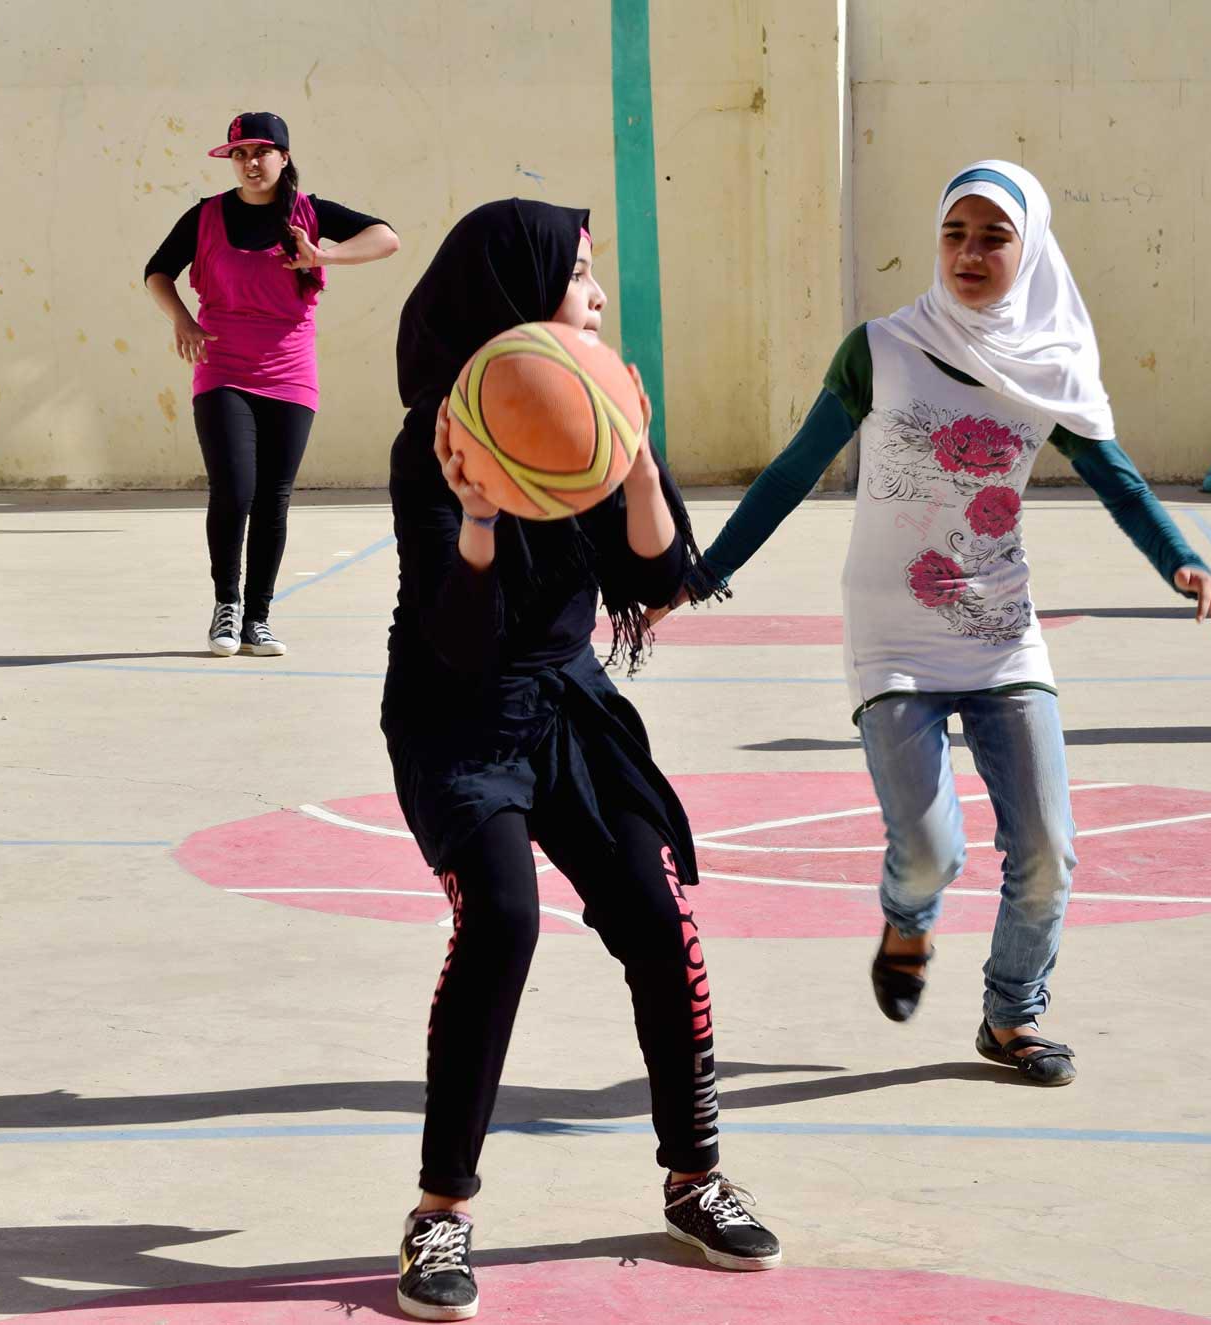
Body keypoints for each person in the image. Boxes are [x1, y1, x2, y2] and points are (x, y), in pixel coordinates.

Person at [704, 160, 1211, 1089]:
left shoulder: (1050, 366)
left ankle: (1013, 1014)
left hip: (1000, 631)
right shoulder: (880, 348)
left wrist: (1180, 561)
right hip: (893, 639)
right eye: (955, 233)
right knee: (929, 848)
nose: (969, 253)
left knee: (1047, 846)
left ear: (1028, 250)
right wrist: (706, 569)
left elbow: (1116, 477)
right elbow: (796, 468)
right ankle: (907, 918)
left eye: (994, 237)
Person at [381, 199, 780, 1322]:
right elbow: (460, 637)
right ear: (513, 297)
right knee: (501, 918)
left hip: (569, 704)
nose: (598, 297)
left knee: (660, 920)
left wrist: (638, 452)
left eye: (595, 278)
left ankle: (695, 1179)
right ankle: (437, 1209)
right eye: (579, 277)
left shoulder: (592, 410)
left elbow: (657, 583)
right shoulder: (440, 438)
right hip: (457, 713)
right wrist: (472, 517)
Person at [144, 111, 398, 657]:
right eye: (239, 154)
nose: (250, 163)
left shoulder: (311, 214)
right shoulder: (206, 215)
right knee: (234, 491)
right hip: (222, 368)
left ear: (284, 158)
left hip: (290, 374)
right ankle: (226, 605)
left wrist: (324, 253)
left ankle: (259, 616)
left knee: (273, 500)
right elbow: (157, 271)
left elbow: (387, 238)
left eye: (261, 152)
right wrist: (183, 320)